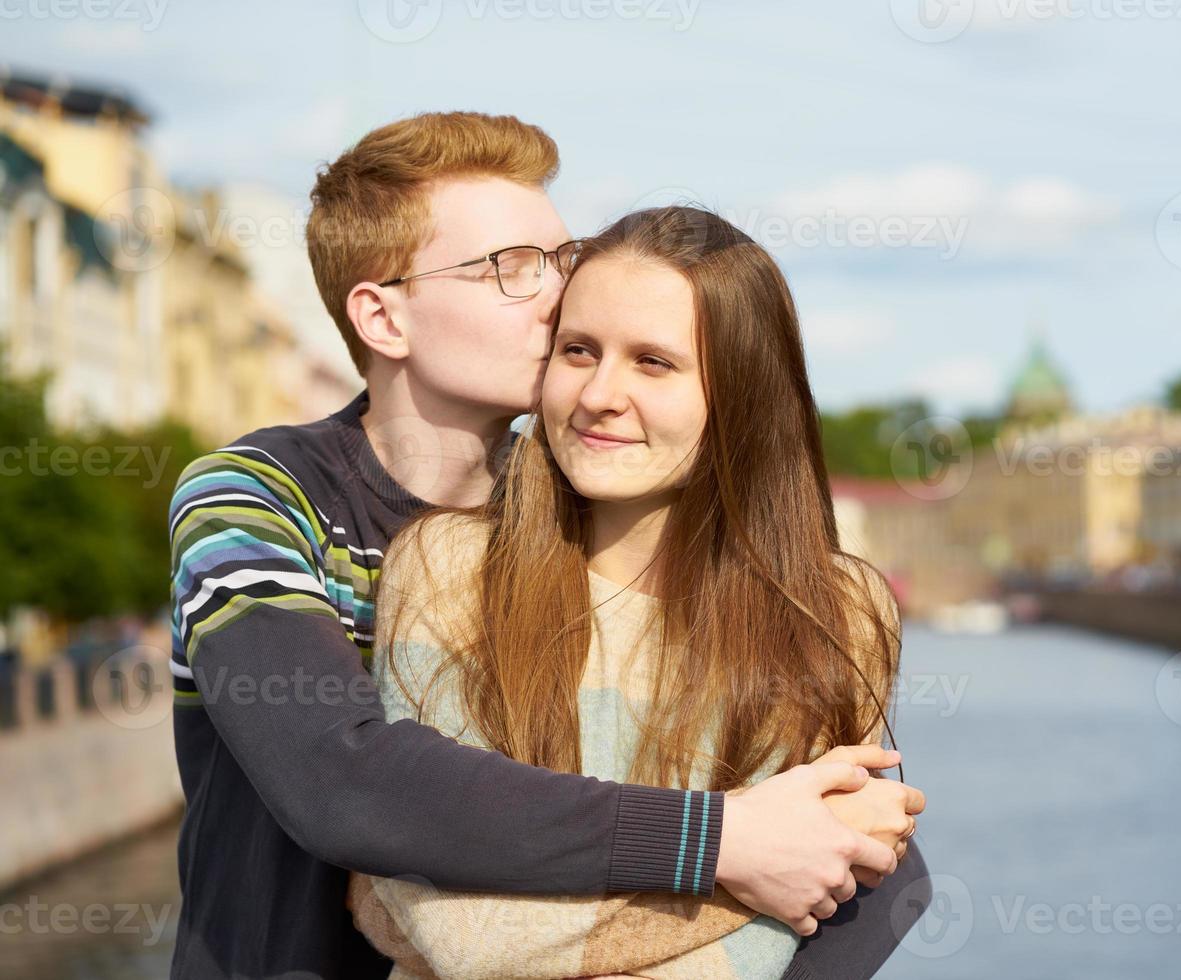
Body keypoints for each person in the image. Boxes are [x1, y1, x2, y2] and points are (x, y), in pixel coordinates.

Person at [167, 111, 929, 979]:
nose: (558, 291)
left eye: (561, 260)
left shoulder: (594, 513)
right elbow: (345, 782)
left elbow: (861, 863)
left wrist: (791, 851)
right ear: (384, 318)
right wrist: (722, 839)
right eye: (511, 269)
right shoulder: (254, 498)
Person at [347, 205, 919, 979]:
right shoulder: (450, 569)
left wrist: (794, 870)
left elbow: (776, 940)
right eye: (578, 351)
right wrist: (752, 866)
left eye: (654, 363)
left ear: (741, 395)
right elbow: (464, 935)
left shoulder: (835, 610)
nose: (598, 395)